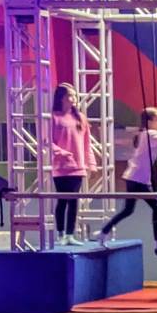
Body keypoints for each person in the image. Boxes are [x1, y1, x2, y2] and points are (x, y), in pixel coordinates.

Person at [93, 107, 157, 255]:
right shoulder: (150, 134)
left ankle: (104, 232)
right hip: (138, 179)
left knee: (129, 210)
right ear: (149, 122)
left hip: (135, 177)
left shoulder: (145, 134)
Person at [50, 83, 97, 246]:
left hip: (78, 167)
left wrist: (90, 164)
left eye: (75, 96)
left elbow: (86, 143)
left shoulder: (80, 118)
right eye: (70, 95)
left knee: (74, 200)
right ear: (61, 97)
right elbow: (46, 142)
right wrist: (61, 153)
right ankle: (61, 233)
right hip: (60, 167)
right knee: (62, 200)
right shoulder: (53, 117)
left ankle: (70, 234)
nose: (74, 99)